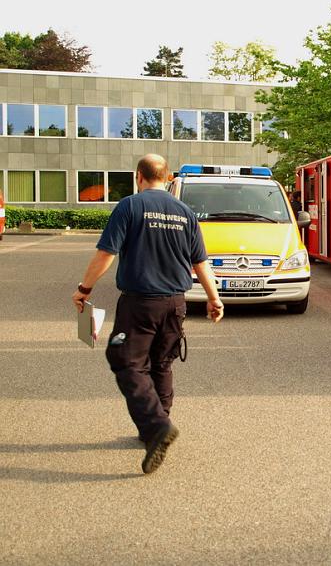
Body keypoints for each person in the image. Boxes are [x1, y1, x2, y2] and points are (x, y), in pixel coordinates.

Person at [72, 154, 223, 474]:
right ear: (167, 178)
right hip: (176, 302)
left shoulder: (130, 206)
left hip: (140, 302)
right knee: (161, 363)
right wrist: (214, 299)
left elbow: (106, 253)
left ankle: (156, 427)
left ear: (138, 176)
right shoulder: (185, 212)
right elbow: (201, 262)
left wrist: (85, 289)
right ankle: (156, 426)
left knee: (124, 359)